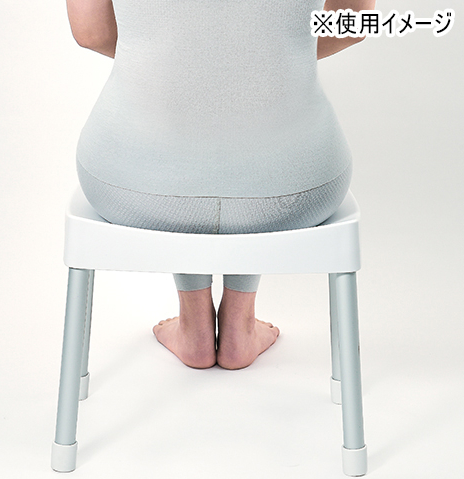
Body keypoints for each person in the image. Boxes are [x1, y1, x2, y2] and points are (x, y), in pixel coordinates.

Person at [66, 0, 375, 370]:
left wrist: (183, 61)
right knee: (257, 164)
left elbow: (92, 33)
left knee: (182, 165)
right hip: (298, 187)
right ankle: (240, 326)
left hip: (130, 183)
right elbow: (352, 24)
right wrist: (259, 58)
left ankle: (193, 325)